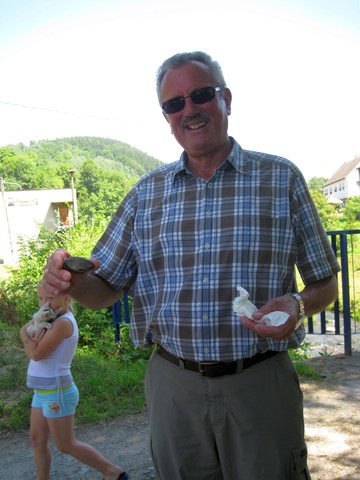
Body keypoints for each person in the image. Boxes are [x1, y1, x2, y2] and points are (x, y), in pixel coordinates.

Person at [43, 51, 340, 480]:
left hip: (259, 383)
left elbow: (324, 284)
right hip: (173, 386)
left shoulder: (282, 178)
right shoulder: (145, 193)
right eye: (174, 103)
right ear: (166, 116)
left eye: (201, 94)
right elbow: (104, 288)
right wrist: (69, 278)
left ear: (226, 99)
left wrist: (297, 303)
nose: (189, 109)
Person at [20, 280, 128, 480]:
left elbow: (36, 354)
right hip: (42, 392)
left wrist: (28, 340)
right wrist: (28, 337)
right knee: (37, 440)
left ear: (67, 297)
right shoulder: (50, 319)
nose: (44, 303)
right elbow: (24, 330)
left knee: (66, 444)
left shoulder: (62, 323)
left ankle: (112, 472)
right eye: (40, 297)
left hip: (57, 392)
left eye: (50, 298)